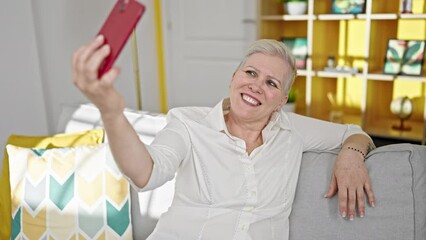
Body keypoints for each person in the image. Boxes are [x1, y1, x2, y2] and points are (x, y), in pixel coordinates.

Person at [72, 36, 376, 239]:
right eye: (251, 73)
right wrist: (111, 113)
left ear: (281, 101)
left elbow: (354, 133)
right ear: (234, 78)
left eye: (271, 82)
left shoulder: (292, 129)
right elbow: (146, 174)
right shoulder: (188, 123)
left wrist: (350, 156)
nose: (257, 86)